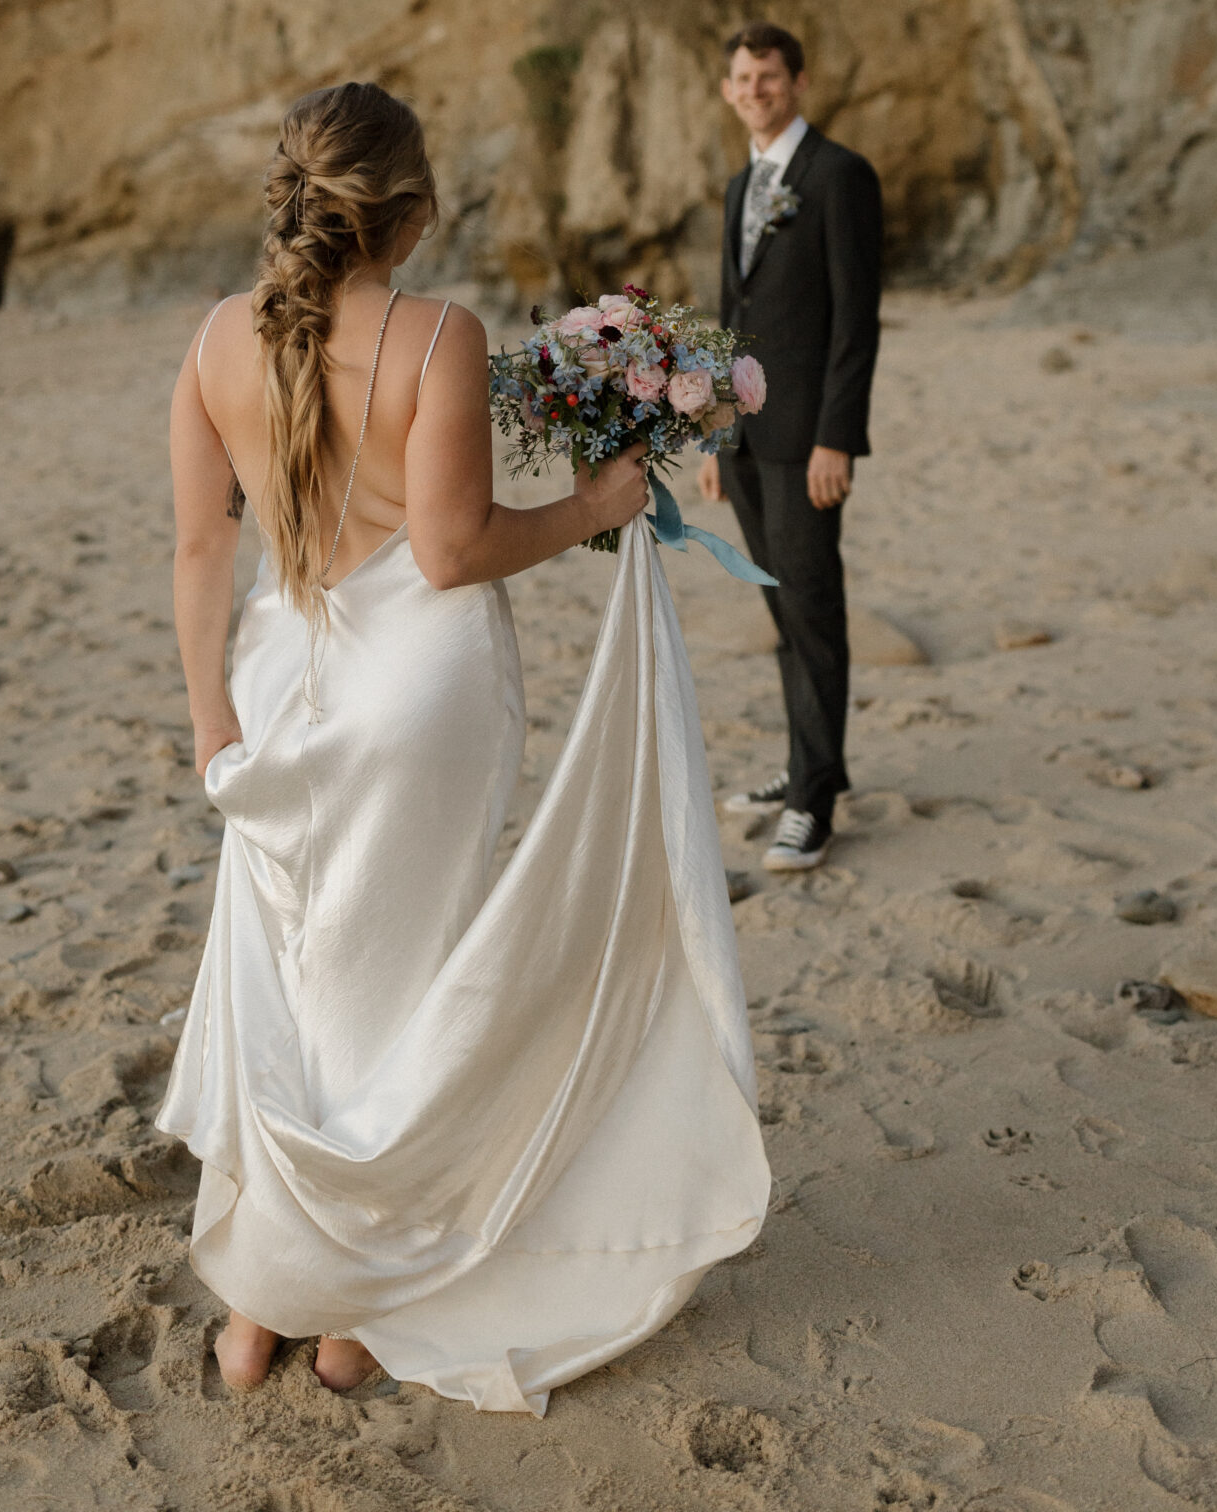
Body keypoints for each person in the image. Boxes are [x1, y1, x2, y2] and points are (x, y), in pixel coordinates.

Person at [157, 80, 768, 1414]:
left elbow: (204, 546)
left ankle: (261, 1305)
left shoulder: (215, 339)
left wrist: (210, 718)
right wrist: (591, 503)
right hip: (416, 696)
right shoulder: (435, 336)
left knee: (286, 977)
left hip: (271, 687)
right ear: (412, 211)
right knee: (397, 987)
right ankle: (356, 1308)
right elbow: (451, 551)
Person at [697, 24, 882, 874]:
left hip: (806, 438)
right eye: (741, 77)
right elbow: (732, 315)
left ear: (798, 81)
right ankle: (809, 761)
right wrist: (710, 429)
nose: (753, 89)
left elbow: (855, 320)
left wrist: (836, 438)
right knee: (778, 607)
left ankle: (814, 802)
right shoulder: (740, 185)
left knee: (811, 606)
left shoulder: (839, 177)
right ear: (728, 88)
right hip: (742, 436)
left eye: (767, 75)